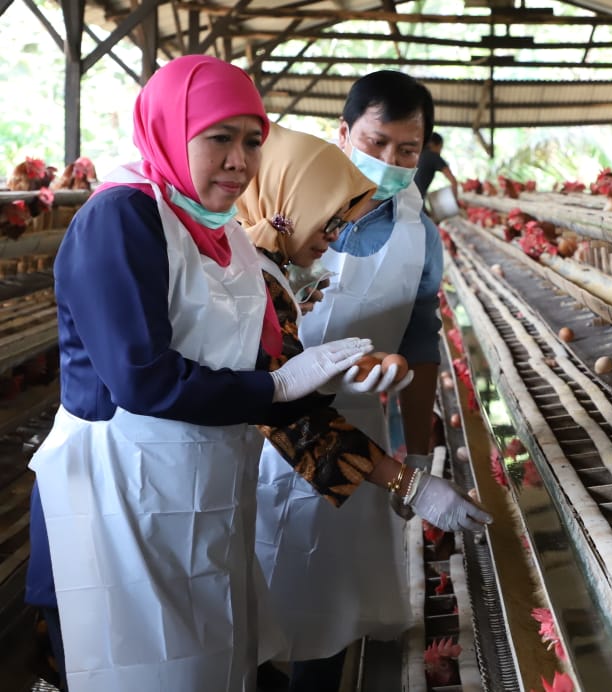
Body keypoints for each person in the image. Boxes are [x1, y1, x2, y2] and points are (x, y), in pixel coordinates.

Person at [24, 55, 372, 692]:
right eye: (220, 137)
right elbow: (142, 378)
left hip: (202, 497)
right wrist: (273, 389)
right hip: (118, 501)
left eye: (253, 141)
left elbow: (256, 361)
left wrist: (324, 383)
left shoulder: (228, 236)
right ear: (169, 128)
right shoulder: (122, 219)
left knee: (212, 665)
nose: (240, 160)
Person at [242, 122, 490, 691]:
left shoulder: (270, 266)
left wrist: (366, 365)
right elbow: (288, 418)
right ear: (285, 201)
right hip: (239, 465)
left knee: (306, 612)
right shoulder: (242, 273)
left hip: (313, 455)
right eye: (327, 221)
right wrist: (410, 484)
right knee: (249, 629)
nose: (333, 238)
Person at [414, 131, 459, 202]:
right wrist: (456, 202)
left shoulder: (418, 154)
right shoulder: (433, 156)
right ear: (434, 145)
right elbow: (453, 181)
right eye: (440, 147)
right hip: (415, 199)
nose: (440, 151)